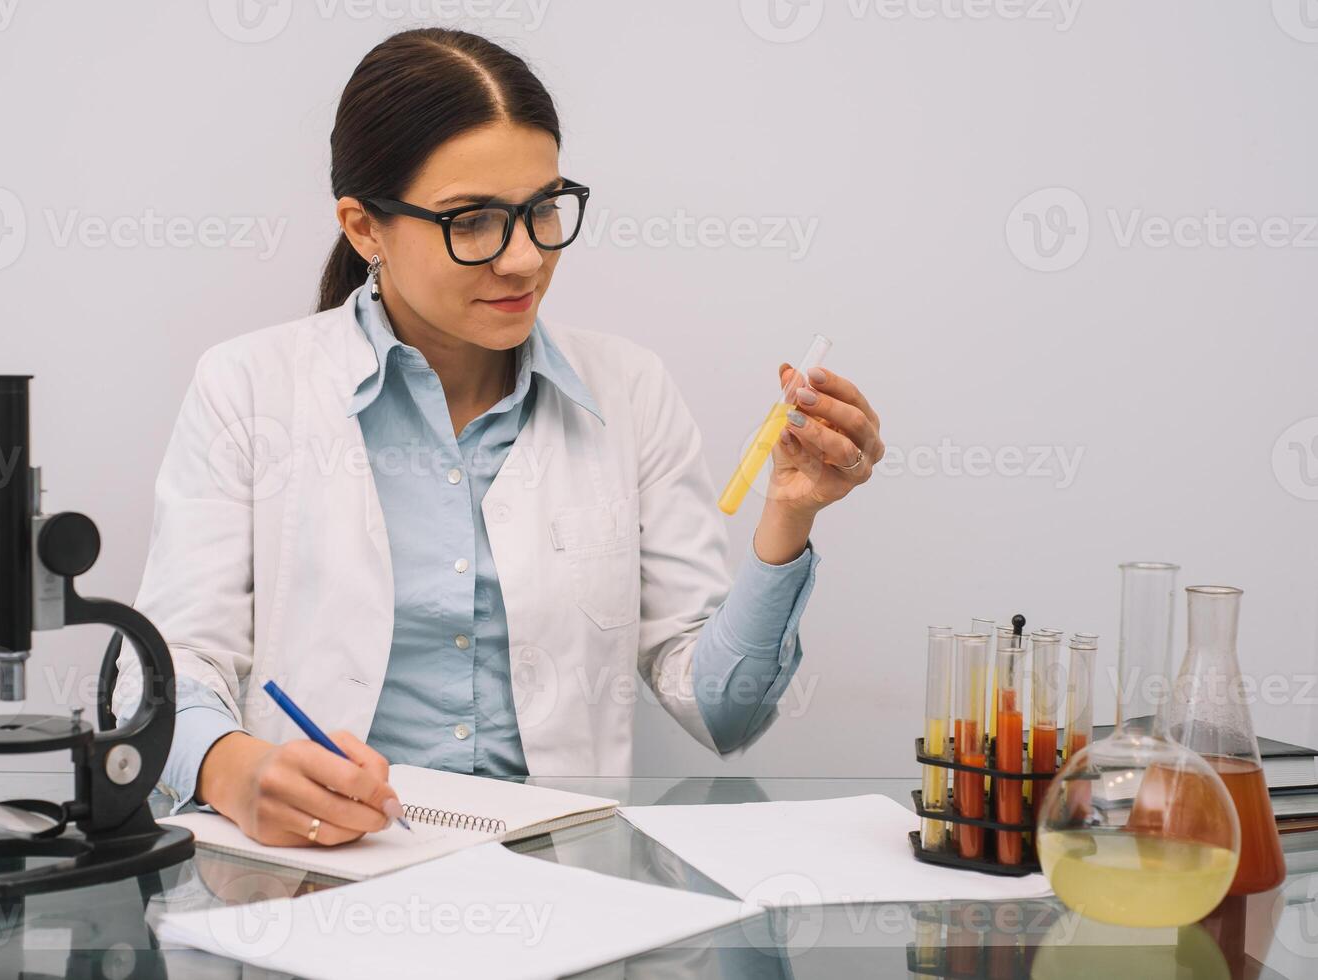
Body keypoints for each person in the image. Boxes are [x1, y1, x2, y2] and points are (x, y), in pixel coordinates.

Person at [114, 27, 884, 848]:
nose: (523, 259)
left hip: (559, 889)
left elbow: (722, 713)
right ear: (364, 228)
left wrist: (788, 518)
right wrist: (234, 769)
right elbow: (169, 669)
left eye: (542, 209)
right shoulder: (247, 389)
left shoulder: (630, 393)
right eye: (472, 221)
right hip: (327, 872)